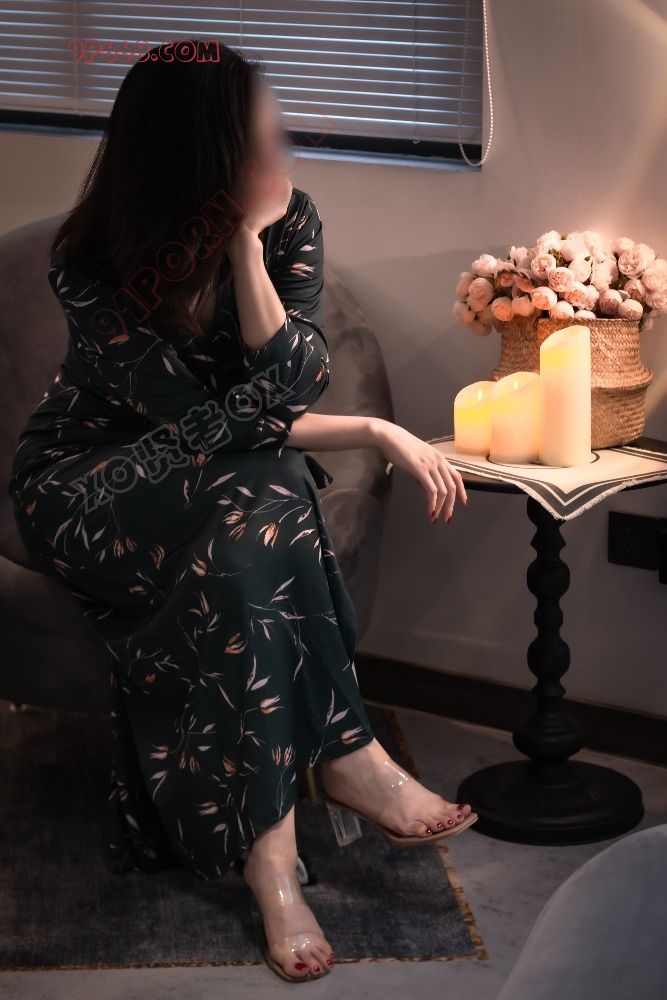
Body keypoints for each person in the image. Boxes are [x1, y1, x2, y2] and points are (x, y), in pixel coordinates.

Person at [8, 39, 475, 983]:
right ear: (200, 143)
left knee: (255, 509)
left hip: (223, 480)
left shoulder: (286, 218)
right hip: (89, 483)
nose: (283, 146)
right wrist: (373, 430)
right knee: (261, 482)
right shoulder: (88, 257)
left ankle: (273, 862)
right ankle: (346, 752)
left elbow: (292, 376)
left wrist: (246, 246)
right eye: (262, 131)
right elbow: (205, 421)